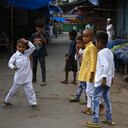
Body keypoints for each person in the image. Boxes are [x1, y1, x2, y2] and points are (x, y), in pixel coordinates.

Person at [84, 31, 115, 128]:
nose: (95, 44)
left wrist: (104, 78)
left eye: (96, 42)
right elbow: (112, 66)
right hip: (107, 80)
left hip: (101, 80)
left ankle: (95, 121)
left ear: (100, 42)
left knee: (95, 100)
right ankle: (109, 119)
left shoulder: (101, 53)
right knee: (106, 99)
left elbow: (105, 66)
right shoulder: (109, 52)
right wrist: (112, 77)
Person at [4, 38, 40, 110]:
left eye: (23, 47)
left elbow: (33, 48)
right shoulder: (15, 56)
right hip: (18, 78)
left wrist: (27, 42)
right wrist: (13, 67)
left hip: (27, 77)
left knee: (30, 90)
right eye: (19, 47)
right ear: (16, 47)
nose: (21, 48)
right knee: (13, 90)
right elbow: (9, 63)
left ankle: (33, 104)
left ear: (25, 47)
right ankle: (7, 101)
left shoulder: (27, 53)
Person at [78, 28, 97, 115]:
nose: (85, 38)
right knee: (88, 91)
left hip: (90, 73)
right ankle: (89, 108)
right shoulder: (87, 47)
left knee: (90, 91)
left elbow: (93, 61)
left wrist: (92, 74)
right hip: (85, 73)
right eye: (84, 36)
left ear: (92, 37)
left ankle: (96, 107)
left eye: (87, 36)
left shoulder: (92, 47)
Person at [30, 19, 47, 86]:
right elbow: (30, 45)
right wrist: (30, 54)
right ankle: (34, 79)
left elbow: (45, 42)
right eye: (37, 27)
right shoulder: (33, 35)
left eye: (40, 27)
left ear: (42, 28)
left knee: (42, 66)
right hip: (34, 53)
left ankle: (44, 80)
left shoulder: (44, 34)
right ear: (35, 28)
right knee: (34, 67)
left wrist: (41, 35)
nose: (39, 29)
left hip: (41, 53)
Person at [69, 35, 86, 102]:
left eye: (79, 43)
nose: (78, 44)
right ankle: (77, 97)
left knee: (85, 86)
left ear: (84, 42)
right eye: (77, 43)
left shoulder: (86, 50)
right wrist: (77, 51)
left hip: (85, 71)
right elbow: (76, 58)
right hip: (81, 70)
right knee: (80, 84)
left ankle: (87, 99)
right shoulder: (80, 49)